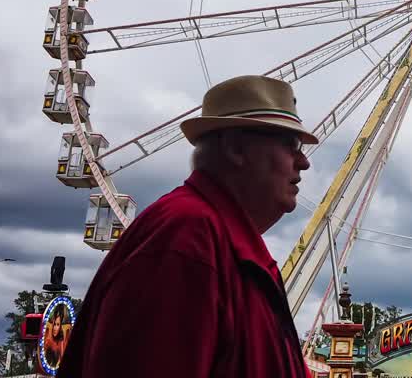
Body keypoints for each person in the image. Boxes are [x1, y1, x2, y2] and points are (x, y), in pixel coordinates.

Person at [57, 75, 315, 378]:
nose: (303, 162)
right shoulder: (184, 239)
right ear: (236, 148)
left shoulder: (237, 253)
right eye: (290, 144)